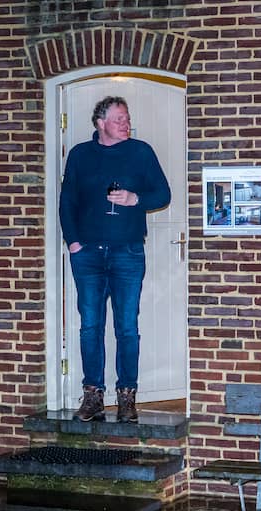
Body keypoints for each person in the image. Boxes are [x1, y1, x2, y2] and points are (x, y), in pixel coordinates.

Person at [58, 96, 171, 423]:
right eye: (119, 118)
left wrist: (135, 199)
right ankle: (93, 395)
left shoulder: (141, 152)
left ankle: (127, 397)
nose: (126, 123)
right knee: (90, 326)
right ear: (100, 123)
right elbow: (67, 203)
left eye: (127, 118)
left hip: (128, 252)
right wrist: (74, 243)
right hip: (88, 254)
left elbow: (163, 194)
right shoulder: (80, 155)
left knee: (126, 327)